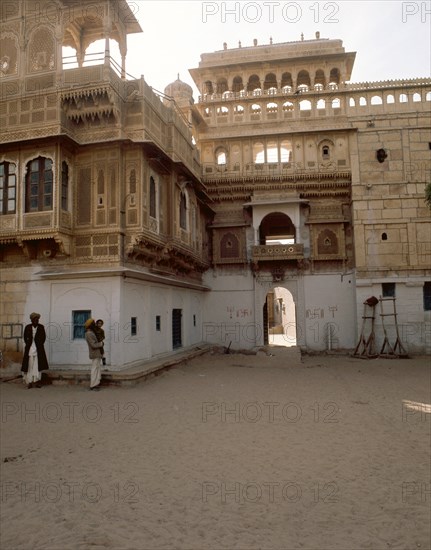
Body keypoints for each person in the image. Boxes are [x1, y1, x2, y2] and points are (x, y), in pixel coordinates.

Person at [21, 312, 49, 389]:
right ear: (32, 320)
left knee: (37, 366)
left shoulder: (41, 327)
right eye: (35, 320)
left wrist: (39, 345)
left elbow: (43, 338)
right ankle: (29, 382)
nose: (37, 321)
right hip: (29, 349)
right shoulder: (27, 327)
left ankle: (37, 381)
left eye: (38, 320)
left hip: (38, 349)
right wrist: (29, 344)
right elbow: (25, 337)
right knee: (29, 366)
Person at [84, 318, 104, 391]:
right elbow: (93, 345)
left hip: (97, 353)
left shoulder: (91, 332)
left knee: (97, 368)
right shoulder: (89, 333)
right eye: (93, 323)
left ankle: (96, 383)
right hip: (94, 353)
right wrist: (101, 344)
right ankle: (93, 385)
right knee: (94, 369)